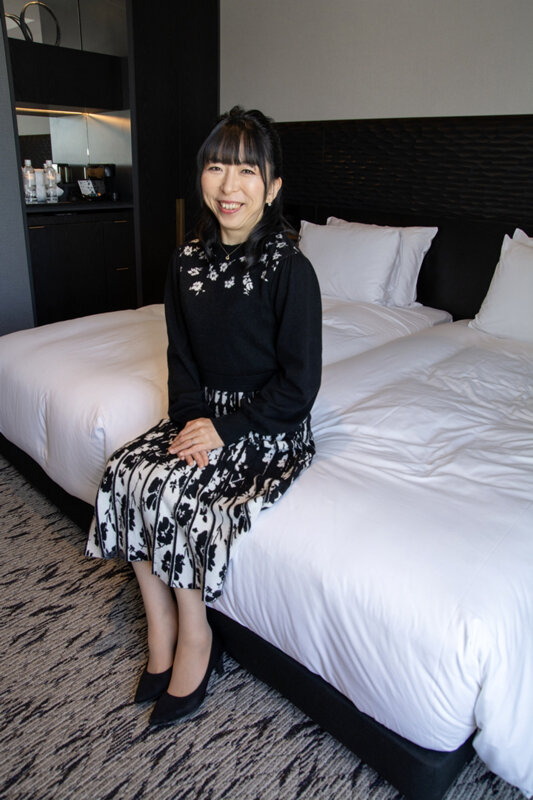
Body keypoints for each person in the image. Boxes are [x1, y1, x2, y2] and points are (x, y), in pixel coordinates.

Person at [85, 106, 322, 728]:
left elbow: (299, 387)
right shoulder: (186, 261)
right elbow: (181, 359)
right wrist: (192, 420)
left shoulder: (291, 270)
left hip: (267, 424)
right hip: (203, 414)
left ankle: (196, 634)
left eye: (247, 171)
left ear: (272, 188)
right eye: (217, 167)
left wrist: (224, 429)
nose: (228, 185)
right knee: (127, 470)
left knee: (180, 490)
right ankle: (159, 623)